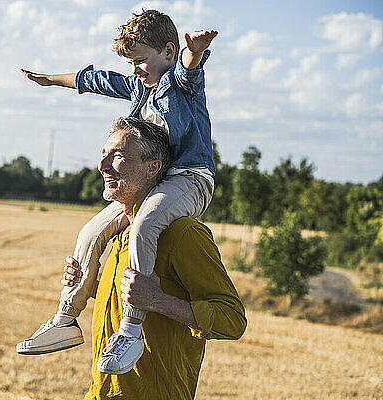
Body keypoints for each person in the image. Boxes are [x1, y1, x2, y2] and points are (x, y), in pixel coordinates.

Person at [17, 9, 219, 375]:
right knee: (90, 232)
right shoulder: (138, 87)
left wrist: (196, 51)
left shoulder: (180, 84)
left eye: (141, 60)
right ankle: (65, 319)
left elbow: (190, 68)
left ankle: (131, 330)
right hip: (153, 183)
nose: (136, 69)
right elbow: (94, 80)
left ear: (168, 51)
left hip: (190, 179)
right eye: (131, 62)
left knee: (145, 224)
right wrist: (49, 79)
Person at [65, 117, 246, 399]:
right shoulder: (122, 234)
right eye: (104, 155)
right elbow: (131, 295)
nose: (102, 166)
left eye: (118, 156)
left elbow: (232, 320)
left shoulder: (183, 234)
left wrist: (160, 301)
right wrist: (90, 284)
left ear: (153, 168)